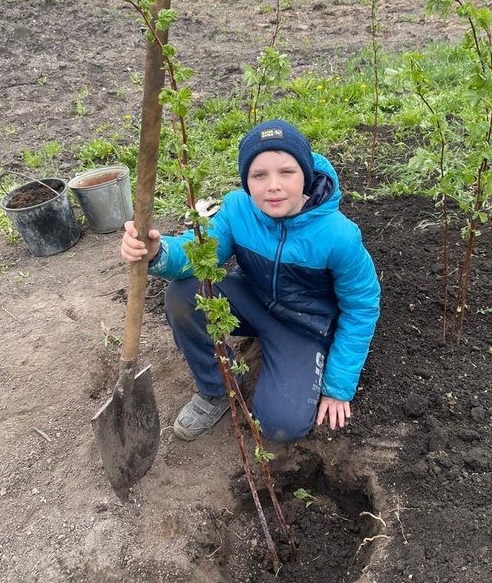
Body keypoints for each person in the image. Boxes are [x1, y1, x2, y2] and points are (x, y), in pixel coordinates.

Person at [121, 119, 380, 443]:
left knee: (281, 424)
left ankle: (291, 365)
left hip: (303, 326)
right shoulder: (238, 209)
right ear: (246, 181)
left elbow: (362, 307)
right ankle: (217, 389)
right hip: (252, 300)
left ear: (306, 174)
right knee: (183, 295)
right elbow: (198, 251)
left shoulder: (338, 236)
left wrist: (338, 385)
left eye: (287, 172)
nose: (273, 185)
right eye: (259, 175)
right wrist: (158, 251)